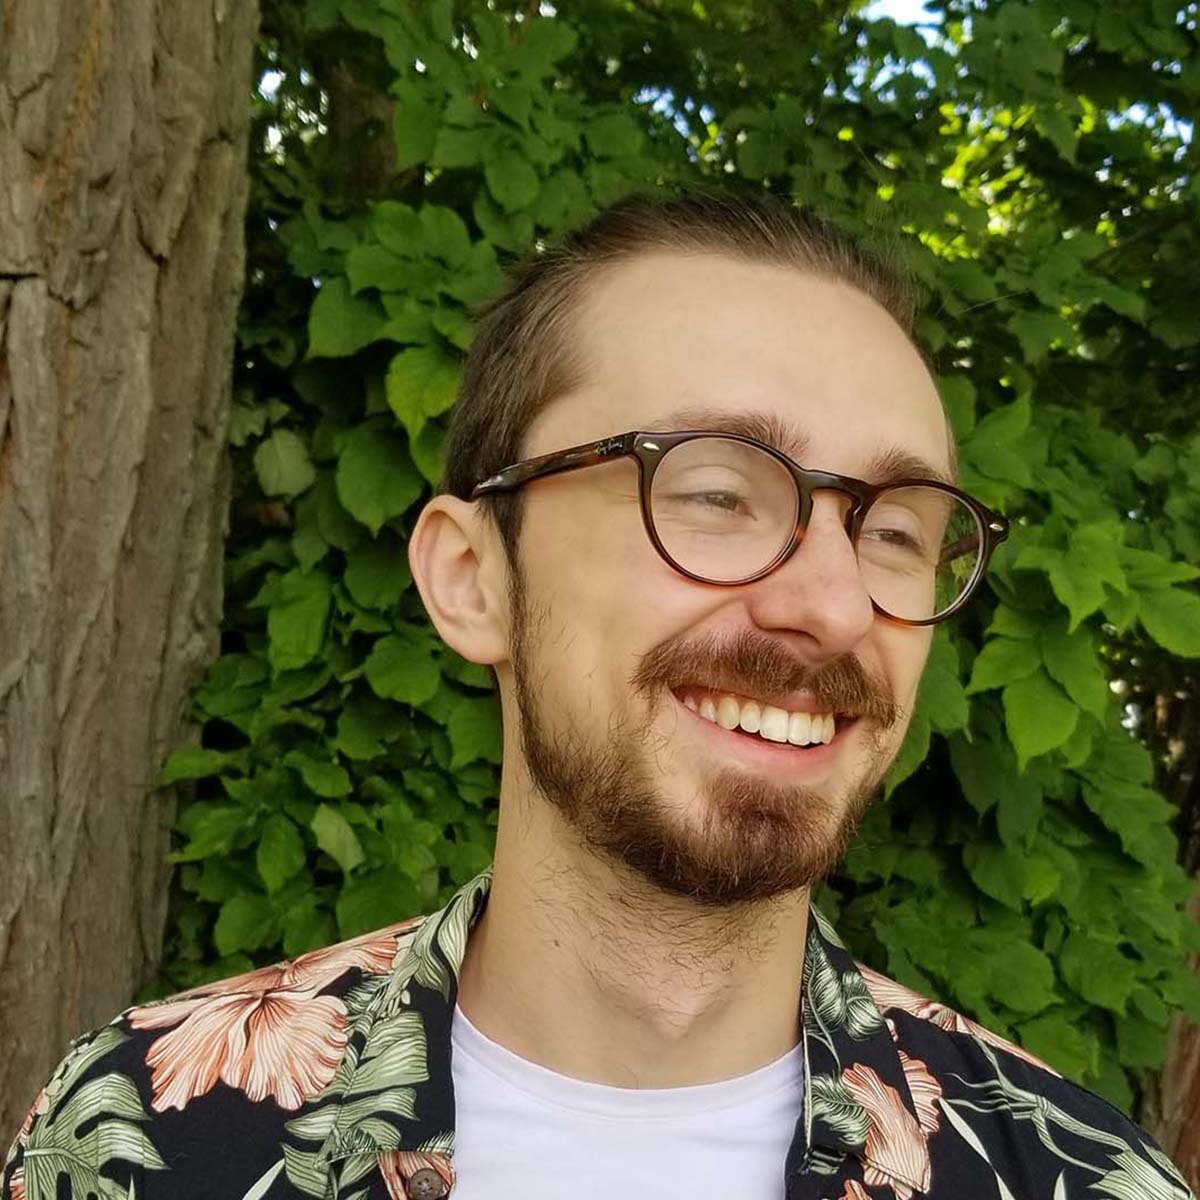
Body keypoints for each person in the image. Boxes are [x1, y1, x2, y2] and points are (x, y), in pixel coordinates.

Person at [3, 190, 1192, 1200]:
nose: (834, 607)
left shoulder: (1074, 1176)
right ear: (473, 579)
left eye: (893, 529)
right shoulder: (144, 1142)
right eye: (718, 493)